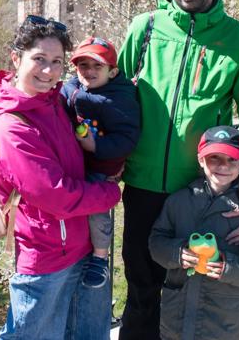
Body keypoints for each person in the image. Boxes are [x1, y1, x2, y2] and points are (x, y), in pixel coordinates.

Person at [116, 0, 239, 339]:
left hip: (201, 195)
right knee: (141, 294)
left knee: (195, 295)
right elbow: (107, 95)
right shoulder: (146, 29)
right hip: (141, 187)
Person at [0, 15, 122, 339]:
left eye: (57, 62)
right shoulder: (11, 127)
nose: (48, 71)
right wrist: (111, 193)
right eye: (39, 60)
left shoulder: (56, 103)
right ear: (16, 58)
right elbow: (56, 195)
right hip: (46, 260)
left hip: (83, 250)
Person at [148, 125, 239, 339]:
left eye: (232, 160)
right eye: (214, 158)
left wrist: (228, 267)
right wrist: (177, 253)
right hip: (176, 320)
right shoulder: (178, 201)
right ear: (201, 160)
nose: (223, 166)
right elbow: (157, 242)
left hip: (222, 323)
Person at [61, 36, 140, 288]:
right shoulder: (74, 88)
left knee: (96, 211)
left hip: (103, 166)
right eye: (83, 65)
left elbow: (128, 138)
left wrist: (96, 146)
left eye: (97, 66)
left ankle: (100, 257)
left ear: (112, 71)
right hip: (79, 162)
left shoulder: (121, 99)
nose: (89, 72)